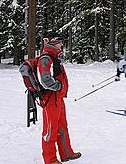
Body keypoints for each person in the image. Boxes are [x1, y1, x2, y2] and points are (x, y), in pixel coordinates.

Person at [37, 31, 81, 164]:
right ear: (53, 42)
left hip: (58, 99)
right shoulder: (46, 58)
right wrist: (59, 86)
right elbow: (45, 80)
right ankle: (50, 159)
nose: (62, 44)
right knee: (50, 130)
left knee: (62, 126)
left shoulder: (54, 57)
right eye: (60, 42)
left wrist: (60, 90)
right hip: (50, 100)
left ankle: (66, 153)